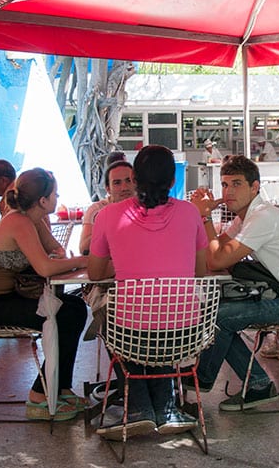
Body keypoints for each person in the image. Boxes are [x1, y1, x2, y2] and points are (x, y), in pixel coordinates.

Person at [188, 155, 279, 411]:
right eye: (225, 184)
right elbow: (217, 254)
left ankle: (199, 379)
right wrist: (204, 220)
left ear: (255, 187)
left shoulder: (263, 217)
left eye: (237, 184)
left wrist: (204, 217)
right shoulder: (245, 217)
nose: (229, 191)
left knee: (217, 316)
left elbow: (217, 259)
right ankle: (256, 383)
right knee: (215, 311)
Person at [89, 145, 207, 440]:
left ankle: (141, 408)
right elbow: (201, 271)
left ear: (135, 178)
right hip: (186, 332)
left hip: (131, 333)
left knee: (116, 321)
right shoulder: (190, 213)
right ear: (172, 181)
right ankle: (165, 408)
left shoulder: (107, 216)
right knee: (161, 326)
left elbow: (94, 274)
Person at [0, 168, 89, 421]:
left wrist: (67, 259)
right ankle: (39, 395)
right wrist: (84, 262)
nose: (58, 197)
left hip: (3, 298)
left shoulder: (31, 219)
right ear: (42, 200)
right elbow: (45, 267)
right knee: (64, 313)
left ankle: (61, 388)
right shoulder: (18, 222)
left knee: (75, 307)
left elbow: (55, 250)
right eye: (55, 194)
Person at [78, 160, 135, 255]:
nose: (124, 188)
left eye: (129, 180)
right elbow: (84, 248)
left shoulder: (146, 208)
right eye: (117, 183)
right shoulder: (97, 210)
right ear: (108, 189)